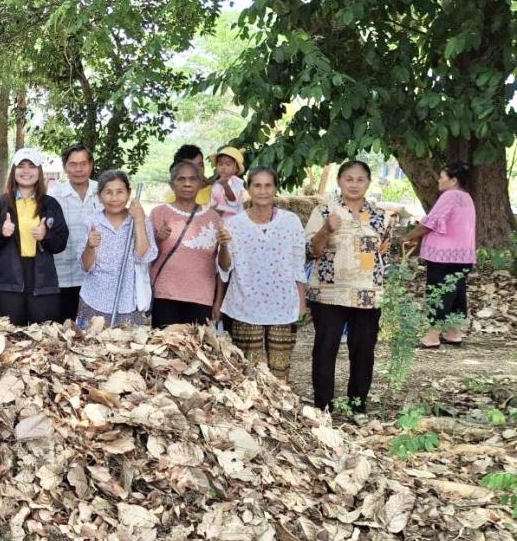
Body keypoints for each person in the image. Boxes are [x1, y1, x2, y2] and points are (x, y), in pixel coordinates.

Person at [304, 159, 390, 413]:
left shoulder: (379, 216)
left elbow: (382, 257)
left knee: (363, 352)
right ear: (339, 181)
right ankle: (323, 407)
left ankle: (357, 406)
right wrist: (326, 230)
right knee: (325, 349)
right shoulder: (323, 211)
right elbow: (311, 251)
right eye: (348, 179)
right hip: (329, 292)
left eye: (360, 179)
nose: (354, 184)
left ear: (368, 183)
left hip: (368, 295)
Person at [221, 166, 308, 377]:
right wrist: (223, 246)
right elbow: (225, 267)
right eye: (257, 185)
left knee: (280, 372)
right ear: (249, 189)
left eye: (268, 185)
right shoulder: (233, 224)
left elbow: (298, 264)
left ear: (275, 188)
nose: (262, 190)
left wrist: (302, 302)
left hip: (283, 306)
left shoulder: (290, 221)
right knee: (249, 374)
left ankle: (282, 411)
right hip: (244, 305)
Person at [0, 148, 69, 326]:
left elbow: (61, 243)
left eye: (32, 166)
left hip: (43, 282)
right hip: (8, 282)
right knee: (10, 337)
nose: (26, 171)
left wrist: (46, 235)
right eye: (21, 166)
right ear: (14, 171)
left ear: (39, 171)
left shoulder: (50, 204)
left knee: (44, 337)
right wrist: (0, 232)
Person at [149, 160, 232, 327]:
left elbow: (222, 267)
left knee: (195, 350)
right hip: (165, 295)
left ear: (201, 184)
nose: (187, 184)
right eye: (181, 179)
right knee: (164, 349)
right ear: (171, 184)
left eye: (193, 179)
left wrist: (218, 301)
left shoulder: (213, 218)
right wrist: (158, 238)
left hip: (201, 298)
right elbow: (145, 256)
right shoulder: (159, 213)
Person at [402, 162, 476, 348]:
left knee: (439, 293)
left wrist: (407, 237)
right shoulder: (467, 197)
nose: (438, 180)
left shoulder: (449, 196)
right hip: (463, 255)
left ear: (453, 180)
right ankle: (454, 333)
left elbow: (431, 222)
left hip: (443, 256)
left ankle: (432, 337)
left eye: (442, 177)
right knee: (457, 293)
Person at [77, 171, 157, 328]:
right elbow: (86, 267)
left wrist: (139, 221)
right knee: (89, 349)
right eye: (108, 192)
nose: (114, 198)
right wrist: (90, 245)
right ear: (99, 196)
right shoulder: (91, 222)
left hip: (129, 304)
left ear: (129, 194)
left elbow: (144, 257)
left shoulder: (140, 219)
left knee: (126, 351)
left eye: (120, 192)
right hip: (94, 301)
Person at [50, 145, 100, 321]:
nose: (78, 169)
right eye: (73, 164)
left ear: (91, 165)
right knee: (65, 332)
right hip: (63, 277)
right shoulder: (54, 196)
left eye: (83, 164)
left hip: (97, 277)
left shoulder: (104, 192)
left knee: (95, 333)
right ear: (65, 167)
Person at [211, 146, 247, 219]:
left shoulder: (236, 182)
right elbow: (213, 200)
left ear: (236, 168)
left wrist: (225, 185)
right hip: (220, 219)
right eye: (220, 164)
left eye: (228, 164)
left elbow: (233, 200)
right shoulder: (216, 184)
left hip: (235, 218)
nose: (223, 167)